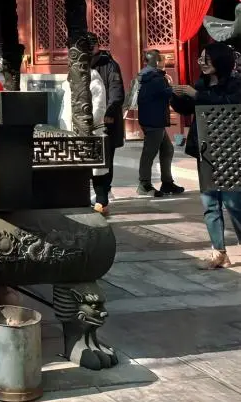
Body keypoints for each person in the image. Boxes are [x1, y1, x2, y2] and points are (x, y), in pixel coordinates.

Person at [171, 42, 241, 269]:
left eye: (206, 58)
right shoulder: (201, 84)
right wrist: (177, 96)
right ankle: (218, 252)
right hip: (206, 151)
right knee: (210, 203)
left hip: (231, 150)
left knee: (234, 204)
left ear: (220, 60)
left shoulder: (235, 85)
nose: (202, 62)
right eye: (200, 58)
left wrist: (197, 95)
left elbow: (227, 104)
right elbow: (188, 108)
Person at [136, 50, 184, 197]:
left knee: (167, 149)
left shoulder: (144, 75)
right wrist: (176, 90)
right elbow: (162, 92)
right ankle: (144, 184)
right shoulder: (154, 77)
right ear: (157, 61)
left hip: (152, 119)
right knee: (149, 152)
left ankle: (167, 182)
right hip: (153, 120)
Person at [89, 34, 126, 213]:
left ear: (97, 46)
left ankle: (102, 197)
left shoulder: (109, 65)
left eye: (90, 46)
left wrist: (107, 114)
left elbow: (116, 93)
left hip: (106, 122)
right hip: (85, 122)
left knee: (104, 160)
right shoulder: (79, 66)